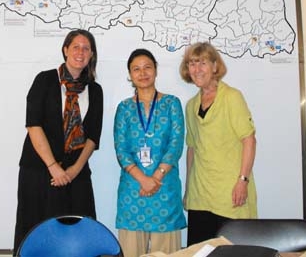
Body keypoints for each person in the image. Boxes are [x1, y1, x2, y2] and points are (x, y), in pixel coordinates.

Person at [13, 29, 103, 254]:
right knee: (37, 233)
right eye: (76, 47)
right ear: (65, 50)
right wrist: (54, 167)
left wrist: (72, 171)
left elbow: (93, 137)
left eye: (86, 48)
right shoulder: (44, 80)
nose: (80, 52)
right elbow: (33, 125)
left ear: (91, 54)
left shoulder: (95, 90)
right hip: (39, 171)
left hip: (77, 173)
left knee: (79, 234)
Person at [179, 42, 257, 246]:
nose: (196, 69)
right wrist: (188, 188)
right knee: (200, 252)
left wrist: (243, 180)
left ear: (215, 66)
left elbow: (249, 140)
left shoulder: (232, 97)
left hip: (230, 192)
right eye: (192, 64)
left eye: (202, 63)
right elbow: (192, 149)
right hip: (200, 195)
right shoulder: (191, 106)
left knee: (232, 252)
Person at [114, 48, 186, 257]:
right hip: (133, 190)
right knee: (130, 251)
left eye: (147, 67)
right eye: (136, 69)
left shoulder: (172, 103)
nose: (142, 73)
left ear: (155, 70)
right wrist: (143, 180)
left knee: (167, 253)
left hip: (164, 187)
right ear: (130, 74)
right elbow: (121, 150)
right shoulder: (124, 108)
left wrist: (155, 177)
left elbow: (176, 145)